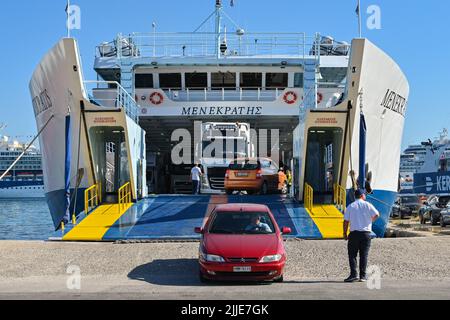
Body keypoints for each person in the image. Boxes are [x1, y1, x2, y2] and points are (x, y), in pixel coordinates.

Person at [343, 189, 380, 283]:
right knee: (364, 255)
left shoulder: (351, 206)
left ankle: (353, 275)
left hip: (354, 234)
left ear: (355, 196)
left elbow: (346, 221)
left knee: (352, 255)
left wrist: (344, 233)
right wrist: (370, 221)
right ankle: (363, 276)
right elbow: (377, 214)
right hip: (366, 234)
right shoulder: (368, 204)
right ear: (362, 195)